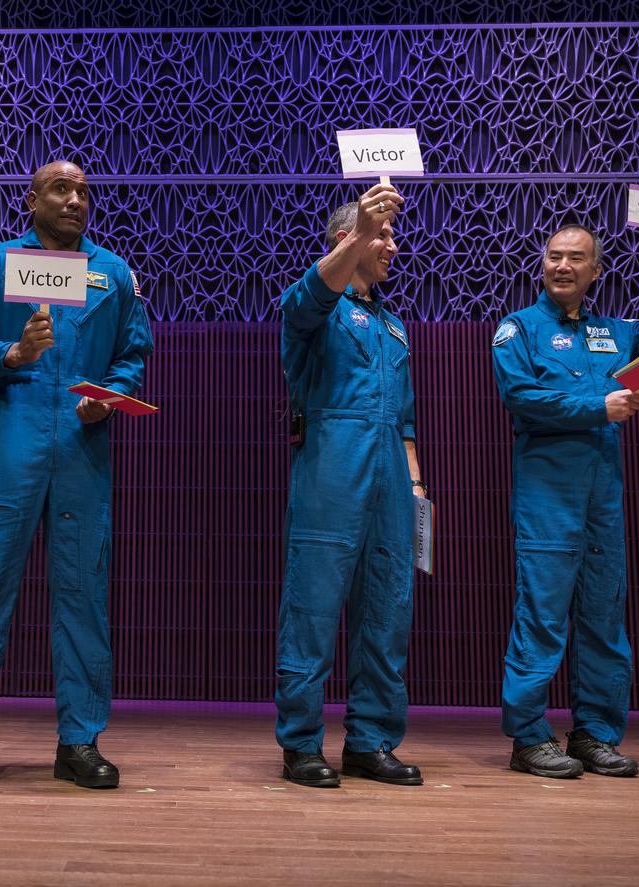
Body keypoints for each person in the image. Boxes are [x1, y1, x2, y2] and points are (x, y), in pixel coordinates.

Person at [0, 161, 154, 792]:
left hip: (82, 442)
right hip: (15, 433)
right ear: (31, 199)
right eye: (61, 189)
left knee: (83, 593)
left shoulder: (113, 275)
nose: (75, 200)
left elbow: (132, 353)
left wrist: (110, 396)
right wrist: (15, 353)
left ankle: (80, 740)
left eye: (84, 192)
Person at [491, 225, 639, 778]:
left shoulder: (616, 333)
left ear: (596, 271)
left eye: (576, 258)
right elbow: (520, 396)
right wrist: (598, 406)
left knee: (604, 619)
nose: (562, 266)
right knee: (541, 618)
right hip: (548, 501)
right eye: (554, 256)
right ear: (542, 264)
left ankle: (594, 733)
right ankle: (528, 738)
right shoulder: (517, 328)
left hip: (603, 505)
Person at [274, 184, 426, 788]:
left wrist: (416, 488)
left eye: (389, 235)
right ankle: (301, 744)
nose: (391, 245)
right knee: (313, 606)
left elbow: (407, 417)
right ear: (346, 240)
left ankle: (370, 740)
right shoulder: (310, 304)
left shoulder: (394, 328)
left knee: (389, 608)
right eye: (379, 235)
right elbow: (314, 294)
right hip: (332, 468)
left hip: (392, 473)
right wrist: (363, 226)